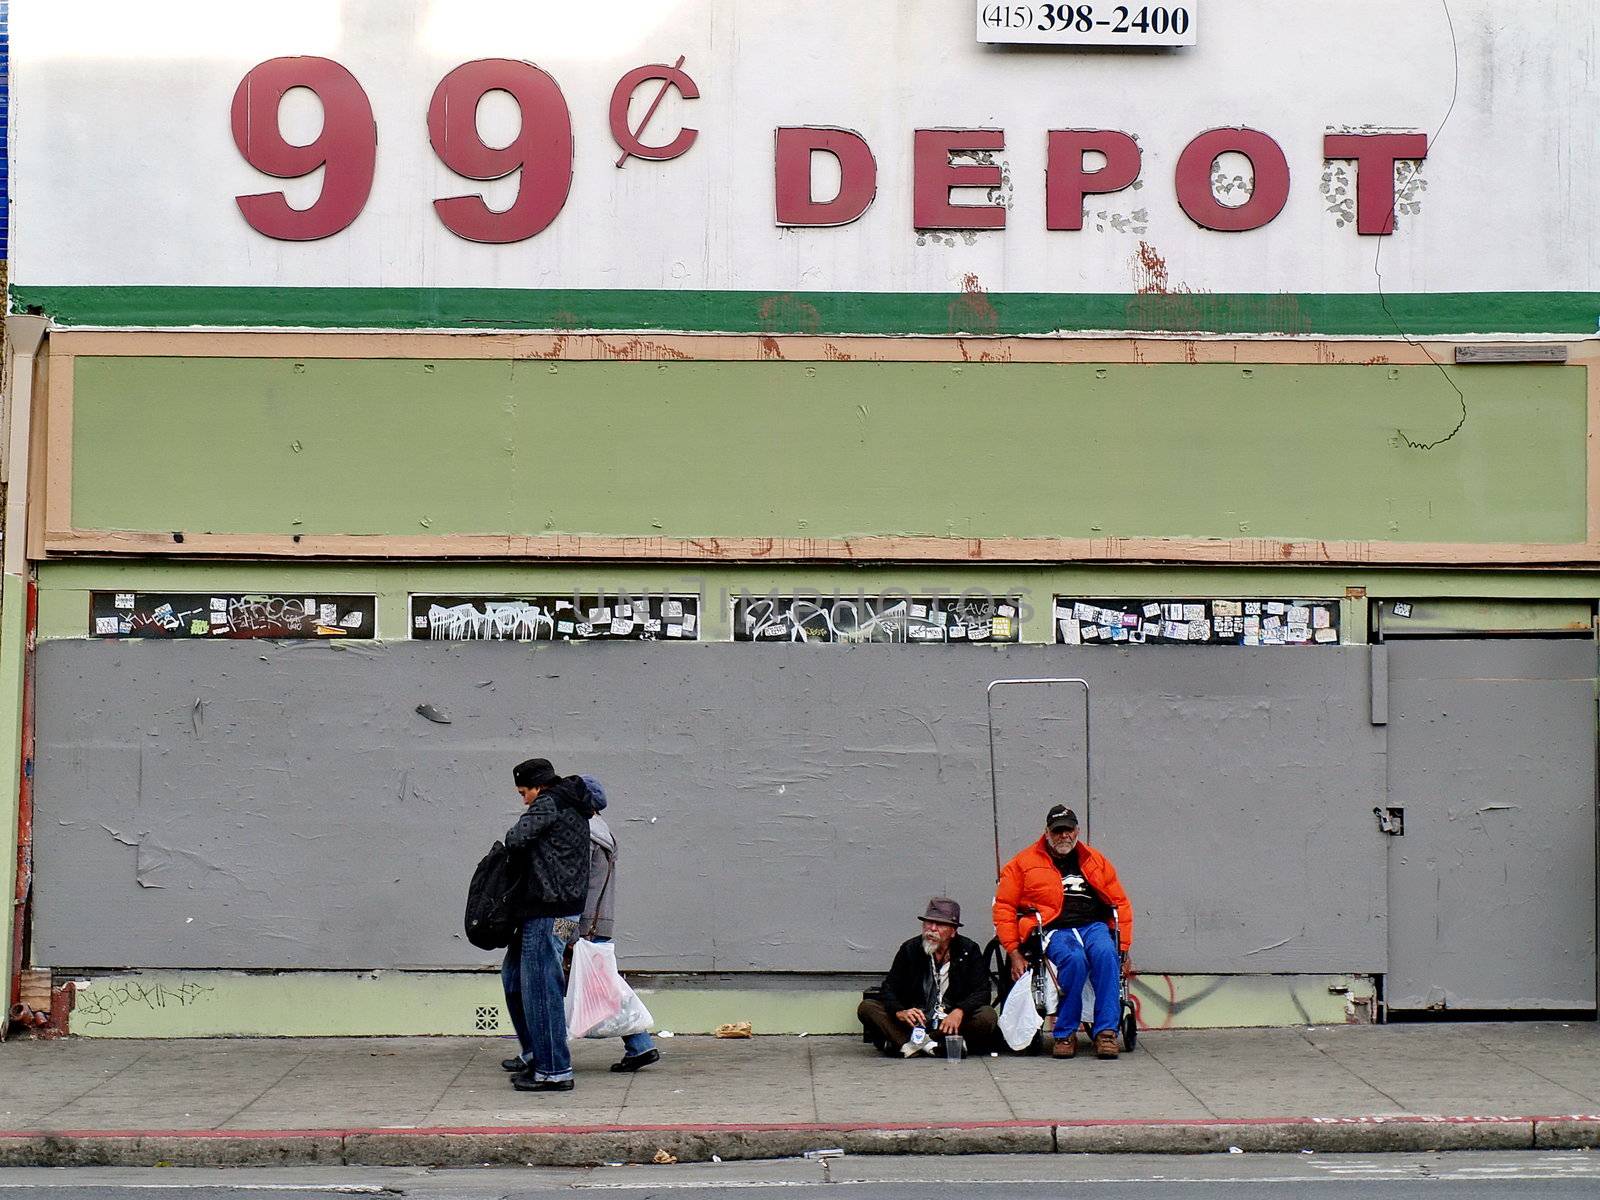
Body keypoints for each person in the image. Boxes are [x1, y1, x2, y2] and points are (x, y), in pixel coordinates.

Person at [992, 804, 1133, 1060]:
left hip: (1092, 924)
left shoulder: (1094, 859)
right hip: (1052, 927)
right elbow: (1004, 907)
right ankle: (1065, 1033)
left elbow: (1120, 903)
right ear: (1047, 832)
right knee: (1074, 959)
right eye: (1057, 831)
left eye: (1068, 830)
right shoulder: (1022, 863)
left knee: (1106, 954)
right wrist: (1013, 951)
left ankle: (1106, 1033)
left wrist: (1123, 949)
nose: (1063, 836)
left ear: (1077, 831)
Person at [499, 757, 595, 1093]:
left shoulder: (549, 803)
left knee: (542, 988)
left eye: (523, 792)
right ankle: (535, 1054)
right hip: (568, 914)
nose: (523, 799)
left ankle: (554, 1069)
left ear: (538, 786)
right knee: (514, 977)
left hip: (547, 910)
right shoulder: (576, 806)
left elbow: (515, 838)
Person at [576, 773, 659, 1073]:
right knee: (604, 984)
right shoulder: (603, 831)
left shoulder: (585, 835)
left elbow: (576, 883)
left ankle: (539, 1054)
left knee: (552, 985)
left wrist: (572, 927)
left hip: (586, 923)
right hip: (600, 921)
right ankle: (640, 1045)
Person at [857, 897, 999, 1057]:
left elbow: (983, 991)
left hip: (948, 1023)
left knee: (987, 1016)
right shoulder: (910, 949)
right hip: (916, 1021)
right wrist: (900, 1012)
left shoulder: (968, 950)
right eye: (928, 923)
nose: (931, 929)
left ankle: (911, 1045)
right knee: (867, 1007)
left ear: (953, 931)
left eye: (940, 924)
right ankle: (934, 1046)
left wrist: (959, 1011)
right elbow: (888, 988)